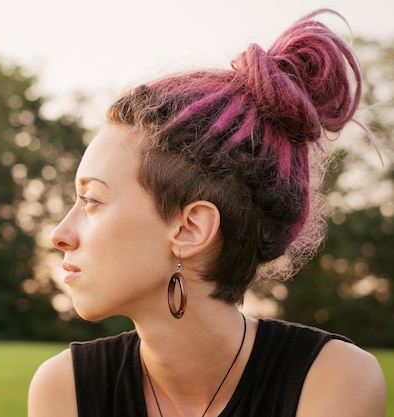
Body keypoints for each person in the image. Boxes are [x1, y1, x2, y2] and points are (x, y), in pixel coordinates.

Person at [28, 8, 387, 417]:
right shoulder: (66, 390)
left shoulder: (334, 381)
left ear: (190, 228)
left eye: (91, 201)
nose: (59, 234)